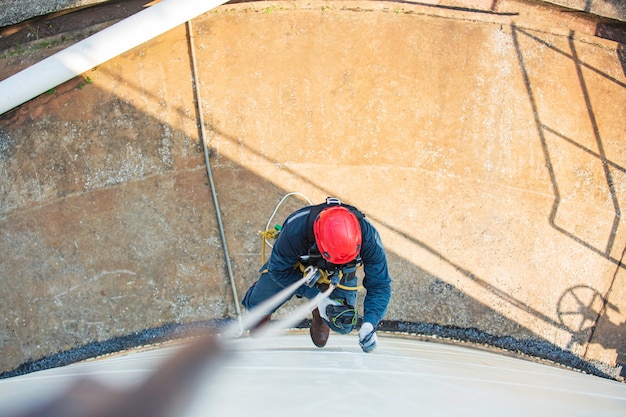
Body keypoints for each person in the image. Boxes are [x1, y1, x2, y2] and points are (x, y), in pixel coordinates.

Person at [242, 197, 391, 352]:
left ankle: (320, 314)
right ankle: (265, 301)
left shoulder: (370, 239)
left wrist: (370, 323)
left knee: (343, 323)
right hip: (296, 265)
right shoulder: (294, 232)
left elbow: (380, 285)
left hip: (341, 273)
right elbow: (278, 271)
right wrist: (318, 294)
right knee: (258, 311)